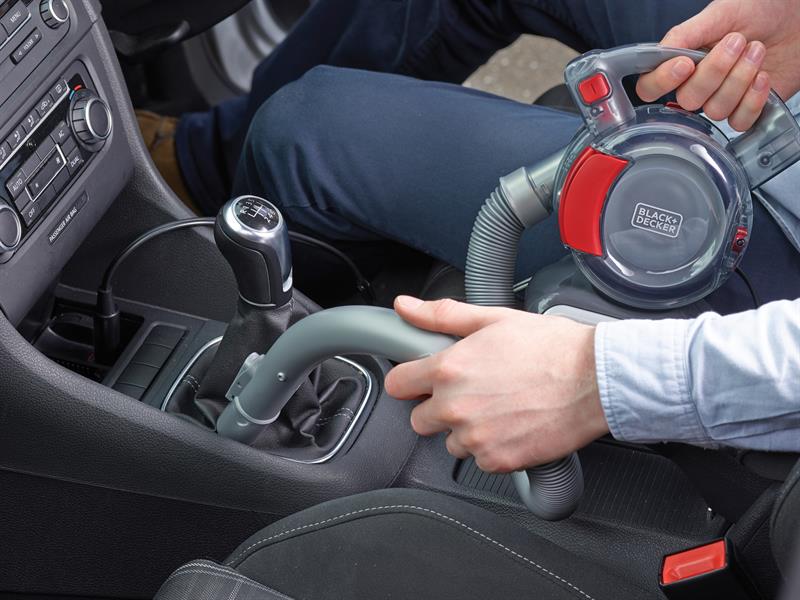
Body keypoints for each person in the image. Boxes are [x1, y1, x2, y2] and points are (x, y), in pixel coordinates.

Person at [147, 0, 800, 468]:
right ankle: (202, 164)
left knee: (302, 137)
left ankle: (275, 320)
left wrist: (600, 381)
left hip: (764, 286)